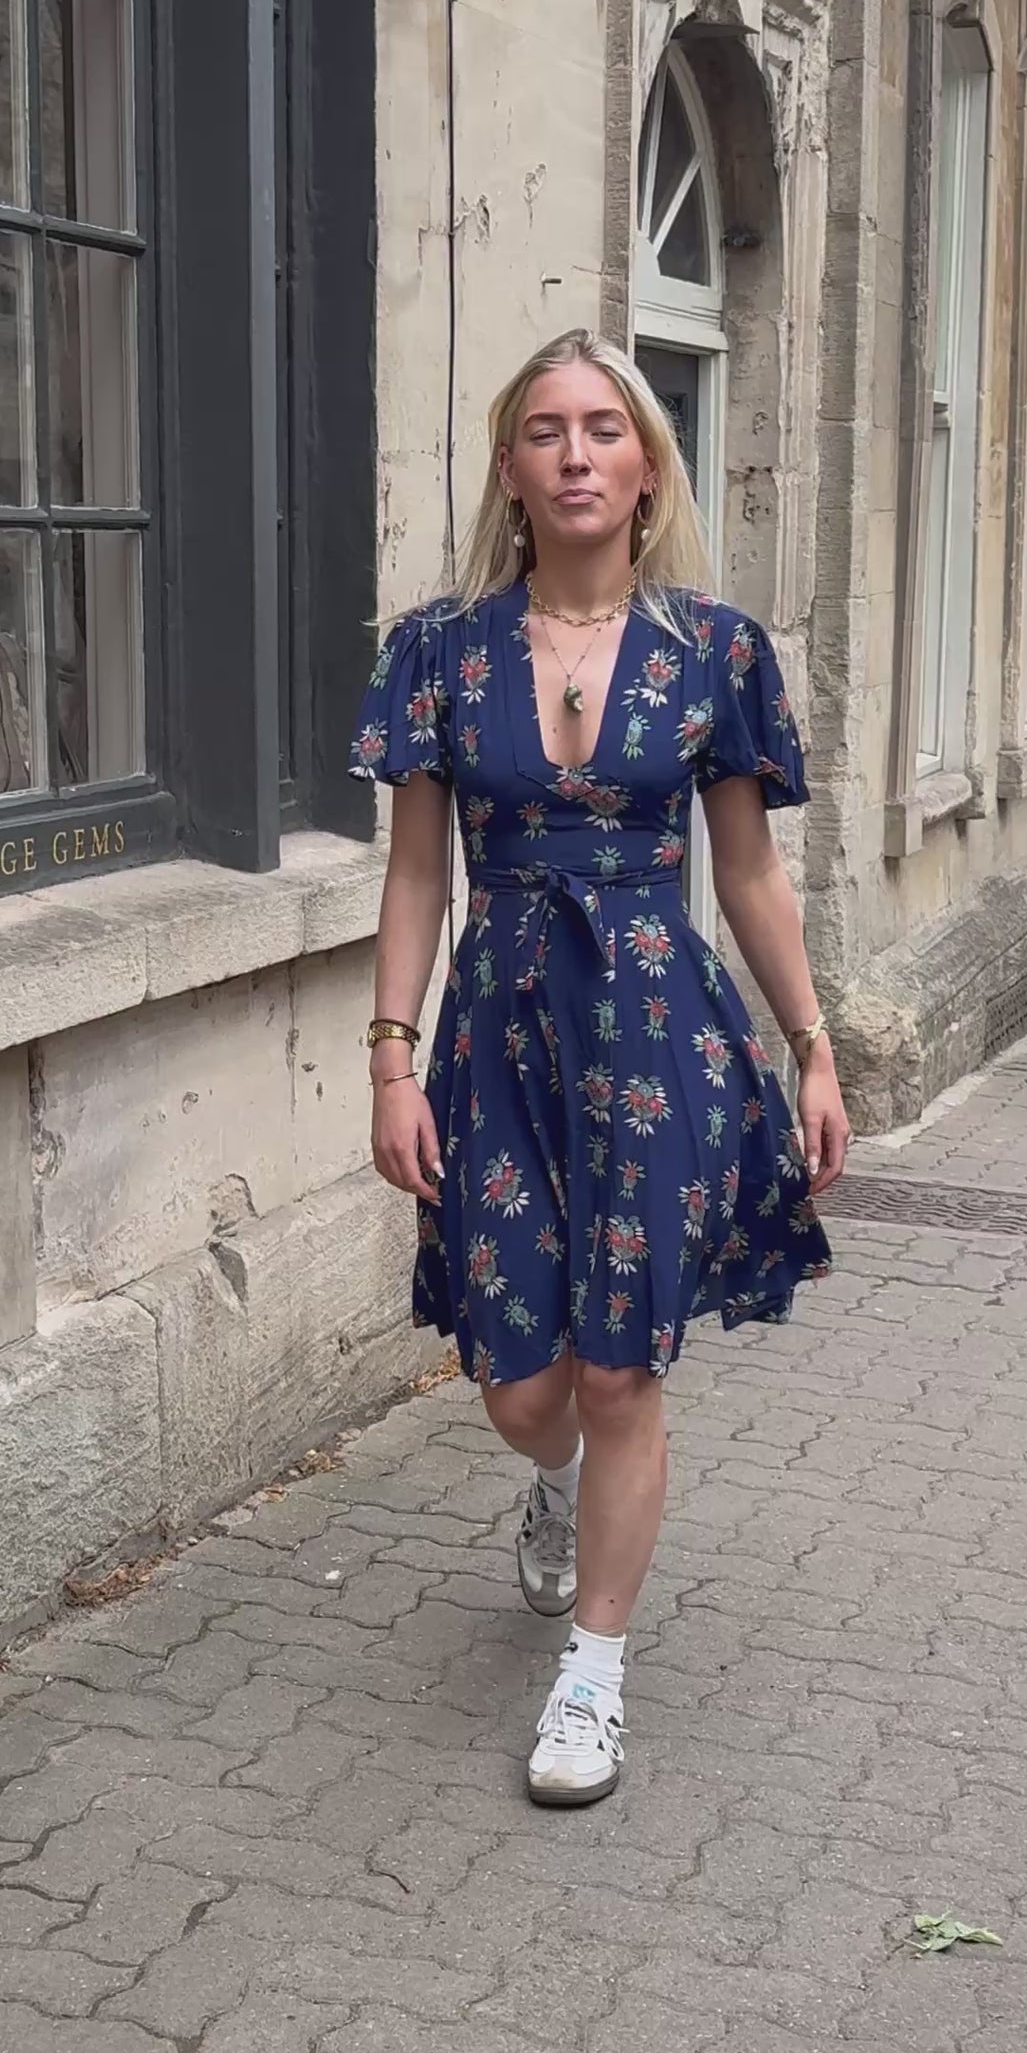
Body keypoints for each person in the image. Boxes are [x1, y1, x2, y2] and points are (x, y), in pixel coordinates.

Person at [353, 330, 849, 1809]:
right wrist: (390, 1059)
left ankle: (594, 1672)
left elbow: (749, 874)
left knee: (622, 1363)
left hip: (654, 1033)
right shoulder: (438, 654)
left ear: (647, 467)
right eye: (546, 430)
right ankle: (553, 1483)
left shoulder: (715, 652)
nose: (577, 454)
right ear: (511, 469)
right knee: (526, 1385)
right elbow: (417, 876)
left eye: (605, 429)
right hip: (498, 1038)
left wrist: (813, 1048)